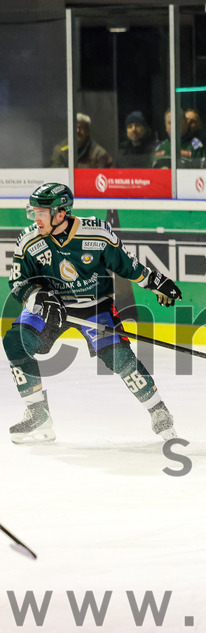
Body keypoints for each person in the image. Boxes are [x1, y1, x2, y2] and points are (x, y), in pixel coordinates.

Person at [4, 183, 183, 444]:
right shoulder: (28, 240)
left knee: (119, 357)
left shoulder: (96, 233)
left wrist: (155, 281)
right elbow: (18, 282)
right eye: (34, 212)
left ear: (60, 214)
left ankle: (158, 410)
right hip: (50, 305)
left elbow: (127, 264)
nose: (35, 218)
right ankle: (37, 411)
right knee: (14, 341)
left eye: (41, 212)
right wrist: (37, 295)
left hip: (94, 305)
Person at [49, 113, 113, 169]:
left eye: (81, 127)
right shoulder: (60, 150)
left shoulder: (99, 154)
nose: (77, 131)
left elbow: (104, 178)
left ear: (88, 131)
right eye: (74, 127)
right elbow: (56, 176)